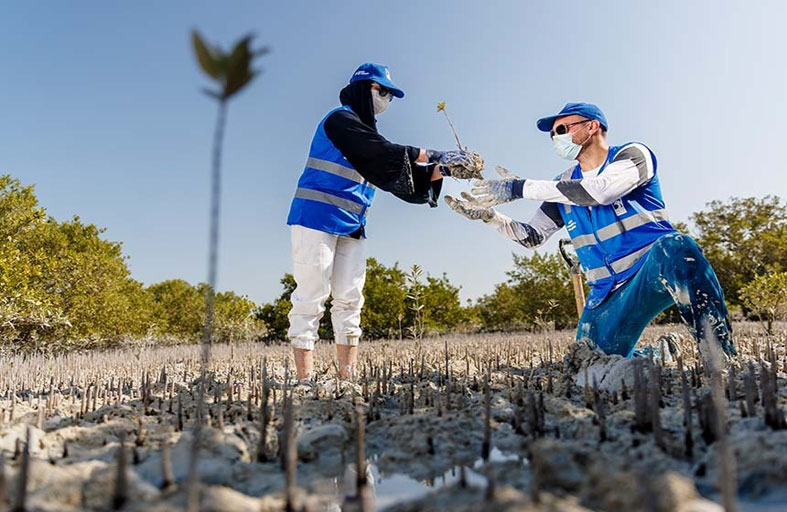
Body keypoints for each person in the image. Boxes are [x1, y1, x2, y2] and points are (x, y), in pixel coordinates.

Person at [446, 102, 736, 358]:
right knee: (590, 363)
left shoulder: (633, 155)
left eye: (562, 129)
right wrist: (490, 217)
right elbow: (533, 237)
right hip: (606, 292)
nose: (556, 138)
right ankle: (658, 355)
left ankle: (721, 357)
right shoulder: (562, 185)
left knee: (676, 246)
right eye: (553, 134)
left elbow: (601, 191)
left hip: (652, 269)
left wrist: (520, 187)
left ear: (592, 126)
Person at [286, 63, 481, 384]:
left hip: (352, 223)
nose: (387, 99)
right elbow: (382, 153)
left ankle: (346, 377)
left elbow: (398, 172)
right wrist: (438, 155)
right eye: (384, 91)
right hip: (315, 217)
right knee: (311, 294)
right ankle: (304, 381)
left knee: (350, 297)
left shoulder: (369, 136)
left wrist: (445, 169)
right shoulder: (340, 121)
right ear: (364, 89)